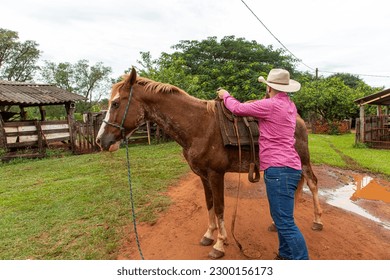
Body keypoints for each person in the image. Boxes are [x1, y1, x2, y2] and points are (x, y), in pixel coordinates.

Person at [217, 68, 309, 260]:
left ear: (268, 86)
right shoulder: (291, 106)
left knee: (284, 223)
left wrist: (226, 95)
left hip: (278, 169)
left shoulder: (270, 105)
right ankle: (284, 255)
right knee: (282, 218)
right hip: (291, 167)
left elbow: (238, 109)